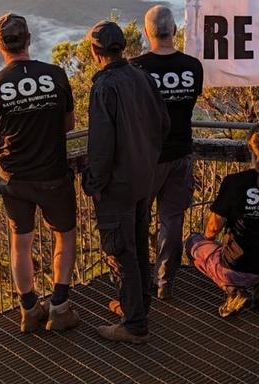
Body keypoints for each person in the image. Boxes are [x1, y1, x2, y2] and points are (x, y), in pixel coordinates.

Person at [0, 13, 80, 334]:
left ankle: (28, 309)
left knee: (20, 243)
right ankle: (60, 307)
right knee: (64, 235)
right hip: (54, 175)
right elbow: (68, 125)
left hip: (14, 180)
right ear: (29, 39)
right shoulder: (56, 75)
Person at [81, 19, 170, 344]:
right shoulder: (141, 77)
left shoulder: (105, 87)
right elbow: (163, 123)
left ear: (95, 52)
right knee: (136, 244)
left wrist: (93, 182)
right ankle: (138, 308)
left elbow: (101, 145)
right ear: (123, 46)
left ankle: (134, 324)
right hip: (143, 179)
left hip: (117, 185)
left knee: (121, 251)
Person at [131, 5, 205, 300]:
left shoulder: (136, 69)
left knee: (138, 218)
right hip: (181, 153)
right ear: (174, 31)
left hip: (147, 158)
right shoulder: (192, 67)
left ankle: (137, 281)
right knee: (172, 221)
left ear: (146, 33)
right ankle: (165, 283)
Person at [185, 121, 259, 317]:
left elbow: (212, 228)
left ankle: (234, 291)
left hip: (239, 267)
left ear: (249, 147)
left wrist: (208, 240)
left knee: (193, 242)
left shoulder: (235, 183)